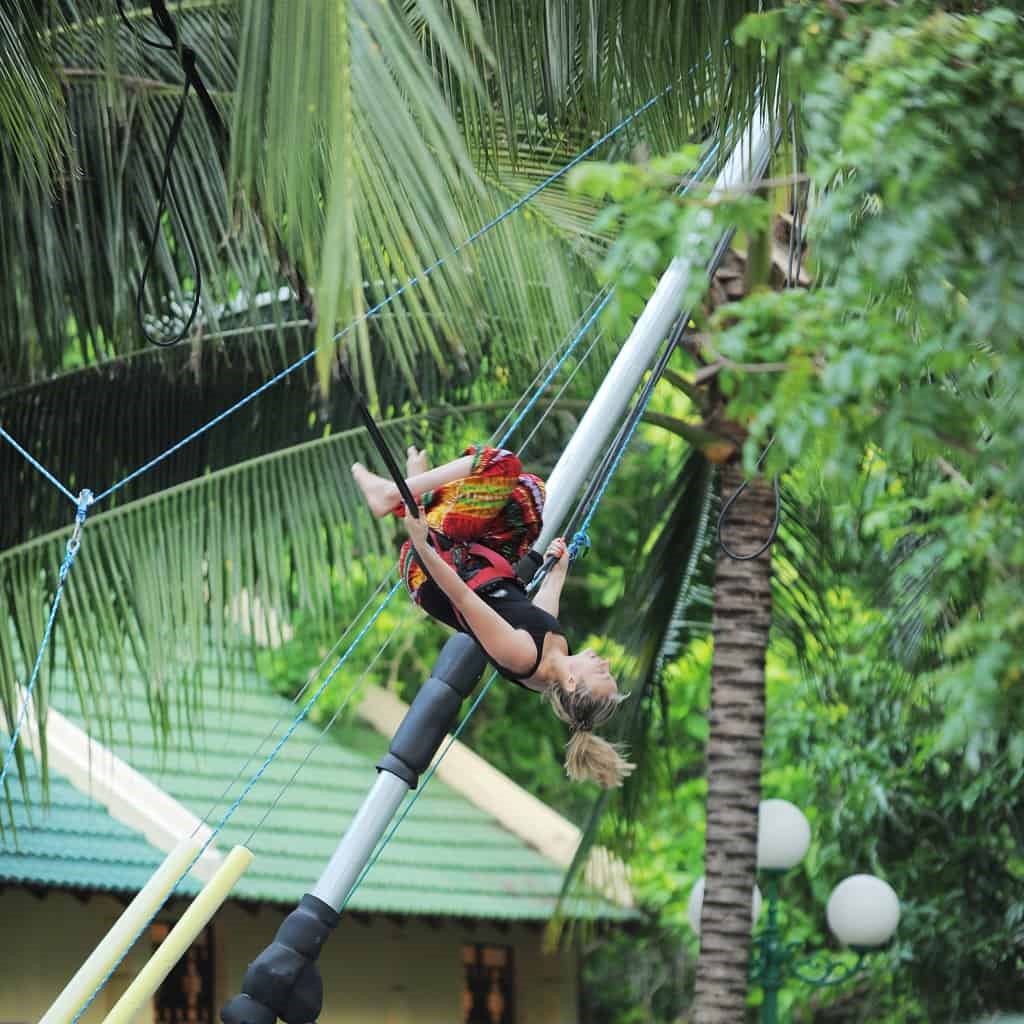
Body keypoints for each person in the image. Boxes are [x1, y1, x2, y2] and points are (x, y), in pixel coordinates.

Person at [352, 444, 634, 788]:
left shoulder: (522, 657)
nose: (604, 664)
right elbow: (537, 612)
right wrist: (558, 570)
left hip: (434, 572)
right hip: (479, 562)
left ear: (573, 683)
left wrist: (423, 545)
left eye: (601, 674)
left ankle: (396, 494)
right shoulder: (554, 657)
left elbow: (463, 598)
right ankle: (422, 493)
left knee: (502, 466)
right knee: (530, 496)